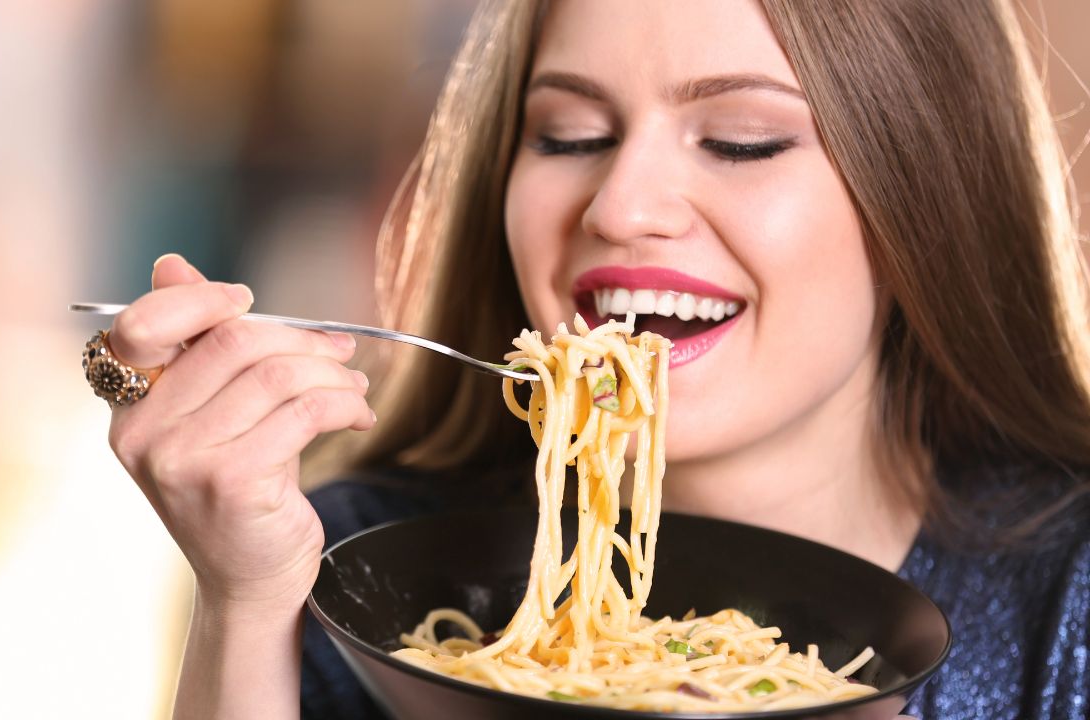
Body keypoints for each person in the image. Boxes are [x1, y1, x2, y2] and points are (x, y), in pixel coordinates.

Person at [81, 1, 1090, 718]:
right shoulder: (354, 569)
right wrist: (242, 606)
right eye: (567, 136)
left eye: (741, 141)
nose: (618, 206)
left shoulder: (1069, 589)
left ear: (928, 193)